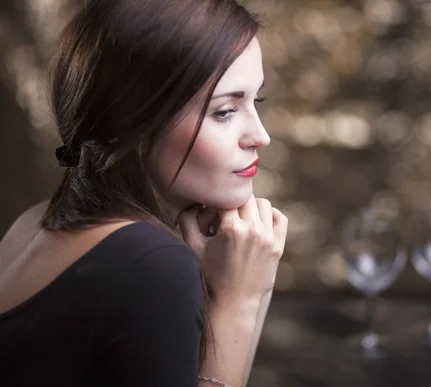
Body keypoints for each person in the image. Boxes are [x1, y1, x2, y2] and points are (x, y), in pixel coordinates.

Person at [0, 0, 288, 386]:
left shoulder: (34, 220)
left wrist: (256, 282)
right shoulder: (150, 263)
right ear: (131, 124)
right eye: (224, 111)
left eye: (257, 101)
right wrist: (240, 299)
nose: (261, 136)